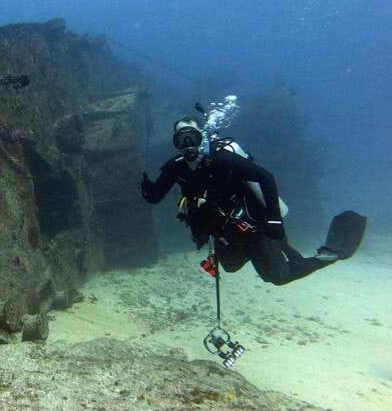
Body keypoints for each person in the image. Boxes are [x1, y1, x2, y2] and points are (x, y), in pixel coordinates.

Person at [140, 116, 346, 286]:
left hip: (252, 225)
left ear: (202, 137)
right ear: (175, 143)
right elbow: (156, 196)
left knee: (277, 276)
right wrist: (147, 189)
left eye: (192, 137)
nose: (188, 145)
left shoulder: (223, 159)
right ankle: (275, 249)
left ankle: (325, 256)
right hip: (223, 230)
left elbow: (265, 177)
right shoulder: (175, 167)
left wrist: (274, 219)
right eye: (181, 139)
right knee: (230, 266)